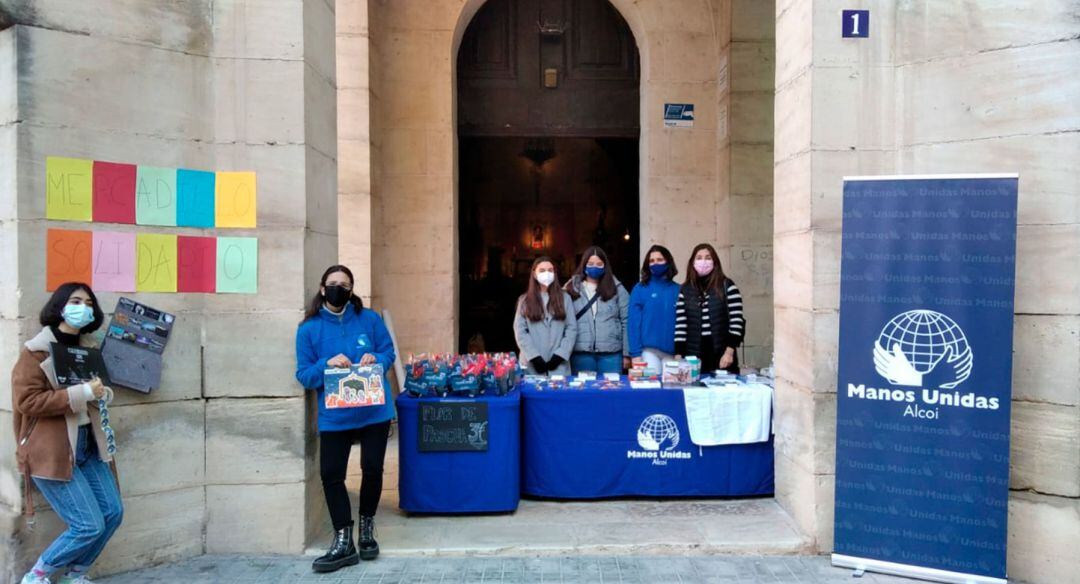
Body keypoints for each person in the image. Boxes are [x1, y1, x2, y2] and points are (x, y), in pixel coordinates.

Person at [12, 283, 121, 584]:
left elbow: (93, 394)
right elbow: (27, 402)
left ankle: (76, 575)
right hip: (53, 450)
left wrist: (101, 393)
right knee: (87, 525)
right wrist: (81, 392)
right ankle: (36, 576)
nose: (82, 307)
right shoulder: (35, 353)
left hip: (88, 446)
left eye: (88, 302)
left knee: (113, 513)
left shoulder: (86, 349)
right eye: (75, 301)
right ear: (60, 305)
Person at [295, 265, 396, 572]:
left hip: (374, 411)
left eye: (345, 284)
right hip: (335, 417)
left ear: (352, 290)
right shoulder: (309, 329)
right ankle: (343, 540)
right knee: (331, 474)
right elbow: (304, 375)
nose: (339, 288)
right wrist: (327, 364)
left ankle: (366, 528)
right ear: (323, 289)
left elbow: (388, 352)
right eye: (333, 284)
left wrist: (374, 359)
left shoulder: (370, 320)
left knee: (373, 469)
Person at [674, 243, 746, 374]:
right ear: (692, 262)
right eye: (699, 257)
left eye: (708, 257)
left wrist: (729, 352)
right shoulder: (685, 289)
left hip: (722, 354)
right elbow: (681, 325)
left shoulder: (727, 286)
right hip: (693, 356)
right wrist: (678, 356)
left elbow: (737, 322)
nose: (703, 261)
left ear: (715, 261)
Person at [563, 246, 630, 375]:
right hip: (580, 353)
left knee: (611, 392)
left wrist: (627, 353)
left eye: (599, 264)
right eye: (591, 263)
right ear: (584, 265)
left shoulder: (617, 288)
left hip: (611, 355)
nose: (595, 267)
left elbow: (627, 320)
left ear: (605, 266)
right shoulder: (571, 288)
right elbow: (561, 319)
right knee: (584, 393)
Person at [514, 256, 577, 377]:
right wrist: (534, 357)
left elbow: (571, 328)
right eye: (542, 270)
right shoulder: (524, 300)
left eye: (550, 270)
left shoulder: (565, 298)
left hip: (559, 366)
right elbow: (520, 331)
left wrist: (560, 355)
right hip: (532, 366)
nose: (546, 273)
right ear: (534, 273)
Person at [628, 245, 681, 372]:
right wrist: (635, 354)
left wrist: (681, 352)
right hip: (648, 352)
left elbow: (684, 324)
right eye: (651, 261)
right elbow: (633, 324)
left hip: (673, 354)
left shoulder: (678, 290)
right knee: (651, 389)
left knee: (671, 390)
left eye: (659, 260)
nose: (655, 263)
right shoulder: (640, 289)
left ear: (668, 261)